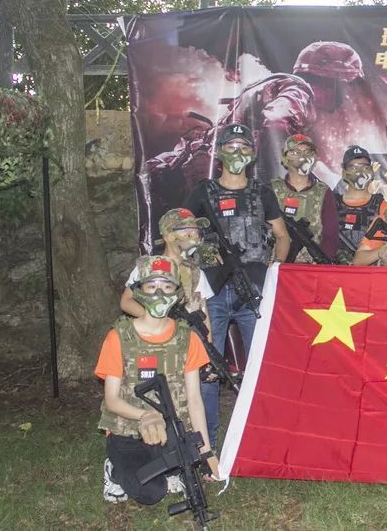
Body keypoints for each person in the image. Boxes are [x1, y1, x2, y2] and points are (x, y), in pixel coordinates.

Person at [184, 122, 290, 446]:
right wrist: (196, 264)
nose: (237, 152)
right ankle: (206, 442)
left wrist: (274, 270)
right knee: (207, 366)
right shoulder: (203, 192)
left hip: (253, 291)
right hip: (212, 291)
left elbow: (282, 236)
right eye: (231, 147)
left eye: (243, 146)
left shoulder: (262, 192)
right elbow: (180, 234)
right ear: (220, 153)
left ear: (252, 154)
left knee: (263, 365)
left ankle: (266, 434)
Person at [96, 256, 220, 504]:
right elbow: (112, 400)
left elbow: (194, 399)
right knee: (152, 492)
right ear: (139, 290)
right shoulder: (118, 337)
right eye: (152, 286)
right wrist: (145, 416)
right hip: (128, 431)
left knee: (185, 467)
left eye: (167, 286)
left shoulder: (187, 338)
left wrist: (206, 451)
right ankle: (114, 470)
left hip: (171, 430)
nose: (159, 293)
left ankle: (170, 470)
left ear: (177, 291)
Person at [270, 134, 340, 263]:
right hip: (276, 266)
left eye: (308, 152)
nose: (303, 156)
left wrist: (321, 267)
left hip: (310, 267)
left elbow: (330, 236)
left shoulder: (323, 192)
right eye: (295, 152)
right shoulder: (271, 189)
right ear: (285, 158)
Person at [334, 145, 385, 263]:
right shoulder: (330, 204)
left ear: (371, 171)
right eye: (353, 167)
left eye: (365, 167)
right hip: (332, 270)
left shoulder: (382, 206)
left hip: (367, 272)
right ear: (344, 172)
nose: (359, 172)